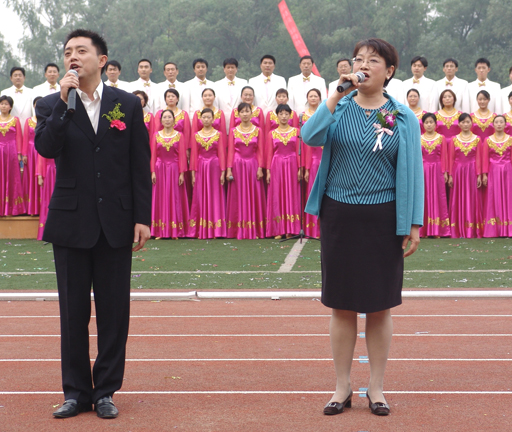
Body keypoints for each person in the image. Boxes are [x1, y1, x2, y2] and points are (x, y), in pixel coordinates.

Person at [301, 38, 423, 417]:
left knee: (379, 307)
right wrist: (335, 94)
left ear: (389, 71)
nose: (363, 65)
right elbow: (309, 136)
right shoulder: (338, 108)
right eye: (358, 59)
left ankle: (377, 387)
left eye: (373, 60)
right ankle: (342, 386)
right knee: (341, 306)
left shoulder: (402, 117)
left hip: (383, 219)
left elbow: (414, 172)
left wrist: (414, 223)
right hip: (339, 215)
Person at [34, 29, 151, 419]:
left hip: (116, 220)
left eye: (81, 50)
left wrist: (142, 217)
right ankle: (75, 392)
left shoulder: (126, 105)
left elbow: (139, 163)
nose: (73, 56)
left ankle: (105, 392)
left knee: (114, 313)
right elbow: (46, 148)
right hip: (70, 222)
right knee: (72, 313)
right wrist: (63, 104)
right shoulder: (50, 103)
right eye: (68, 51)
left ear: (101, 60)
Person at [225, 102, 266, 239]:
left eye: (247, 111)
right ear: (238, 114)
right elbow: (231, 151)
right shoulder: (233, 131)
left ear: (251, 113)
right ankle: (237, 229)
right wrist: (229, 170)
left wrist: (260, 168)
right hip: (238, 166)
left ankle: (255, 228)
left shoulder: (258, 130)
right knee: (238, 195)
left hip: (253, 165)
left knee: (254, 194)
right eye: (242, 112)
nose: (245, 114)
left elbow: (260, 150)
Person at [188, 108, 227, 239]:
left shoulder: (219, 134)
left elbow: (221, 153)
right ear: (200, 119)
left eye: (208, 117)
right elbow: (194, 155)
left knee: (215, 195)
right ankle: (201, 229)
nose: (206, 119)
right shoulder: (196, 135)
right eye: (204, 117)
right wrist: (193, 174)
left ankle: (216, 229)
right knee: (200, 195)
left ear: (213, 119)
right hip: (200, 167)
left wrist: (223, 172)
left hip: (215, 167)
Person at [150, 109, 189, 238]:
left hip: (174, 169)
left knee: (175, 197)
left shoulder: (179, 135)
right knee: (160, 197)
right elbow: (153, 155)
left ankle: (175, 230)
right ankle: (159, 230)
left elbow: (182, 155)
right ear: (161, 121)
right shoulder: (156, 135)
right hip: (159, 169)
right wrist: (152, 172)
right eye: (165, 117)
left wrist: (182, 173)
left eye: (169, 117)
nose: (167, 120)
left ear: (174, 120)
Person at [266, 104, 301, 239]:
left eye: (286, 114)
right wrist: (268, 171)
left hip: (292, 164)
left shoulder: (296, 131)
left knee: (292, 194)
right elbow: (269, 153)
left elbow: (299, 151)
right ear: (277, 116)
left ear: (290, 115)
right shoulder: (271, 133)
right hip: (277, 165)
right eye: (281, 114)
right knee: (277, 194)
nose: (284, 116)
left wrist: (300, 168)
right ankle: (279, 229)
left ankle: (291, 228)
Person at [447, 113, 483, 238]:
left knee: (472, 198)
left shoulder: (477, 139)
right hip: (457, 172)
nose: (465, 124)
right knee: (457, 198)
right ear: (459, 124)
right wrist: (450, 175)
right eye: (463, 122)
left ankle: (472, 229)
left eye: (468, 122)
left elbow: (479, 158)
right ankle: (457, 229)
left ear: (471, 123)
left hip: (472, 171)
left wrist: (479, 175)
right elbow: (451, 158)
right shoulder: (454, 139)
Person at [419, 112, 450, 237]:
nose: (429, 125)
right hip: (423, 170)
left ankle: (439, 229)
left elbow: (444, 156)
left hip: (437, 170)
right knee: (424, 197)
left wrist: (445, 172)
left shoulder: (441, 138)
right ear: (423, 124)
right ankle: (424, 229)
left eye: (431, 122)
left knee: (438, 196)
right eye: (426, 122)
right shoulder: (419, 138)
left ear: (436, 124)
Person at [481, 115, 512, 237]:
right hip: (493, 171)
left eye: (501, 122)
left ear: (506, 124)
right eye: (497, 122)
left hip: (508, 170)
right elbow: (485, 158)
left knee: (509, 197)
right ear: (493, 125)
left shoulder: (510, 139)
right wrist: (484, 174)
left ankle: (508, 228)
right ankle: (495, 229)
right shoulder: (488, 140)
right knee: (494, 197)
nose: (499, 124)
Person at [302, 89, 322, 238]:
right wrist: (306, 166)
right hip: (311, 158)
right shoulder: (302, 116)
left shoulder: (325, 113)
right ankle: (311, 229)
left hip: (323, 156)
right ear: (307, 99)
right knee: (311, 192)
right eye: (311, 96)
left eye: (316, 96)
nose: (313, 98)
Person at [0, 95, 25, 216]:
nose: (3, 106)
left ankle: (13, 208)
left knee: (12, 177)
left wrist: (19, 153)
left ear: (10, 107)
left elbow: (19, 137)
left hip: (12, 152)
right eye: (1, 104)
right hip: (0, 152)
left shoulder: (15, 120)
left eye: (6, 104)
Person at [22, 97, 43, 216]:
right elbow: (25, 137)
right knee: (31, 178)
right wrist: (24, 154)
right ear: (33, 106)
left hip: (44, 152)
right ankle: (32, 208)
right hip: (31, 152)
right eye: (36, 104)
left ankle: (43, 207)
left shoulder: (47, 119)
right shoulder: (29, 121)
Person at [214, 58, 248, 131]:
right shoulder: (217, 85)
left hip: (240, 120)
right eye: (228, 67)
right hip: (224, 120)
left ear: (236, 69)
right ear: (224, 69)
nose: (230, 70)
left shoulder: (244, 83)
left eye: (232, 67)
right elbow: (216, 105)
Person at [36, 153, 56, 240]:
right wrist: (40, 176)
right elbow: (41, 157)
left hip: (61, 172)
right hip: (50, 172)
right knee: (47, 200)